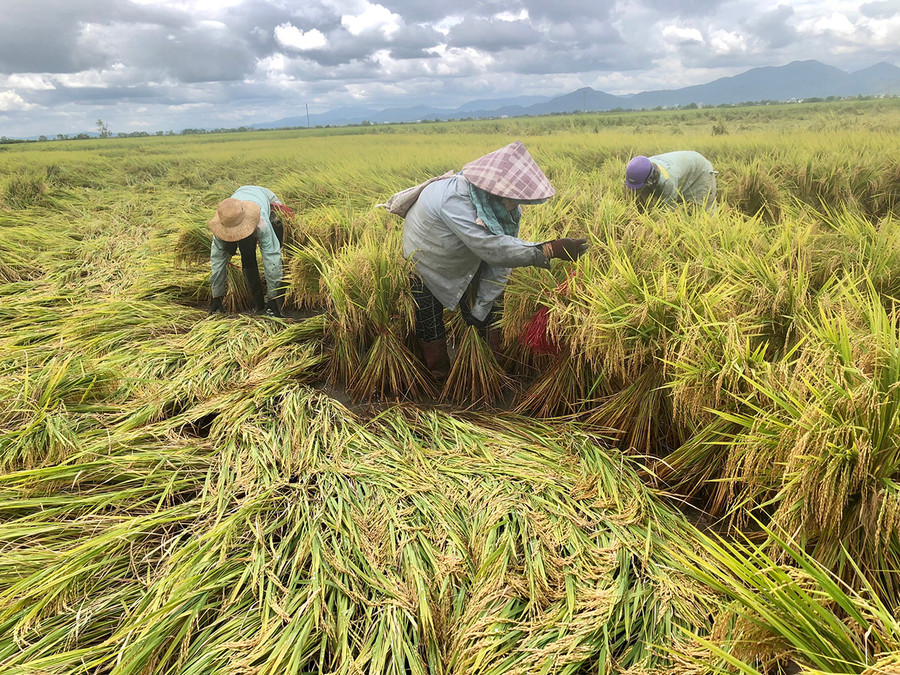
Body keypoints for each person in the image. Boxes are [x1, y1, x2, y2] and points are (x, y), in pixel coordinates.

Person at [401, 140, 589, 380]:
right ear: (492, 190)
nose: (513, 205)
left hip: (465, 252)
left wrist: (484, 305)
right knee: (429, 316)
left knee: (482, 312)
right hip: (426, 256)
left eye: (517, 200)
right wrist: (548, 249)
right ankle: (440, 378)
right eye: (509, 198)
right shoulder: (455, 199)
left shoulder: (504, 209)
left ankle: (487, 367)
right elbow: (493, 249)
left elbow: (503, 258)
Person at [207, 185, 285, 317]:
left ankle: (277, 300)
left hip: (270, 206)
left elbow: (272, 256)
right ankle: (259, 305)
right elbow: (217, 260)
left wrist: (273, 297)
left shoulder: (261, 222)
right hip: (240, 204)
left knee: (277, 251)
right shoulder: (225, 219)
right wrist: (217, 295)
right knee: (247, 256)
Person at [624, 151, 717, 210]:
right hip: (682, 168)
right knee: (682, 205)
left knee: (703, 206)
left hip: (699, 170)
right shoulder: (641, 167)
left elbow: (668, 210)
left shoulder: (667, 181)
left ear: (650, 181)